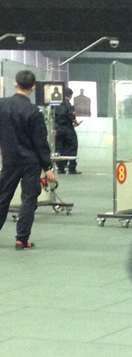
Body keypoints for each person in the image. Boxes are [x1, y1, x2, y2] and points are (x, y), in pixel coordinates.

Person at [0, 70, 56, 249]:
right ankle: (21, 239)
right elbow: (40, 141)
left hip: (10, 160)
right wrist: (48, 167)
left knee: (2, 197)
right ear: (33, 88)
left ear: (15, 84)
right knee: (28, 200)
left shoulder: (2, 105)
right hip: (31, 163)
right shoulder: (34, 111)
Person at [54, 87, 81, 174]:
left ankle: (60, 168)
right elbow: (71, 116)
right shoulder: (68, 104)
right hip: (68, 128)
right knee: (72, 146)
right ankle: (71, 168)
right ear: (70, 95)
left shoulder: (55, 104)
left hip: (58, 129)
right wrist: (77, 123)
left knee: (59, 147)